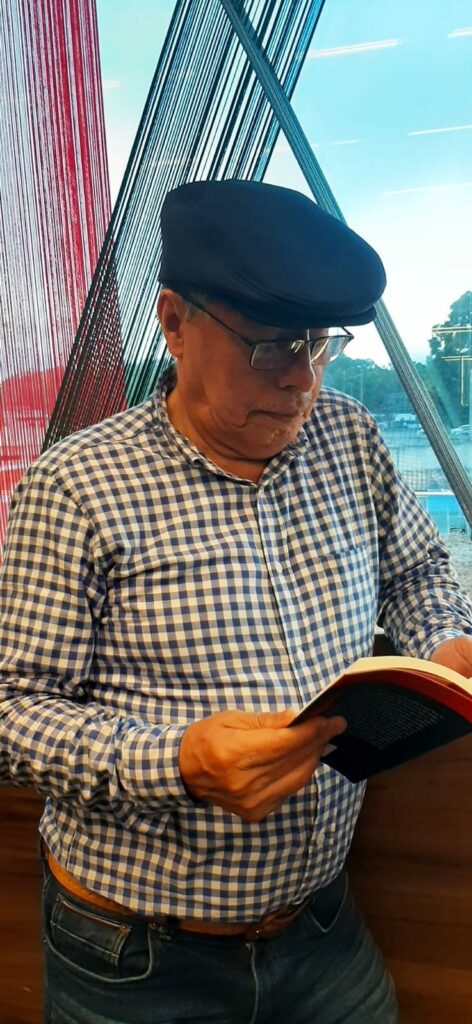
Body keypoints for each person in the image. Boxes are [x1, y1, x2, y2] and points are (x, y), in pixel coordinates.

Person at [1, 178, 471, 1024]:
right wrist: (178, 763)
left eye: (319, 345)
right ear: (174, 322)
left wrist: (444, 645)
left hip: (322, 931)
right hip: (135, 959)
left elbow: (417, 576)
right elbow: (12, 711)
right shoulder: (77, 487)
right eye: (269, 348)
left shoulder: (349, 436)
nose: (301, 381)